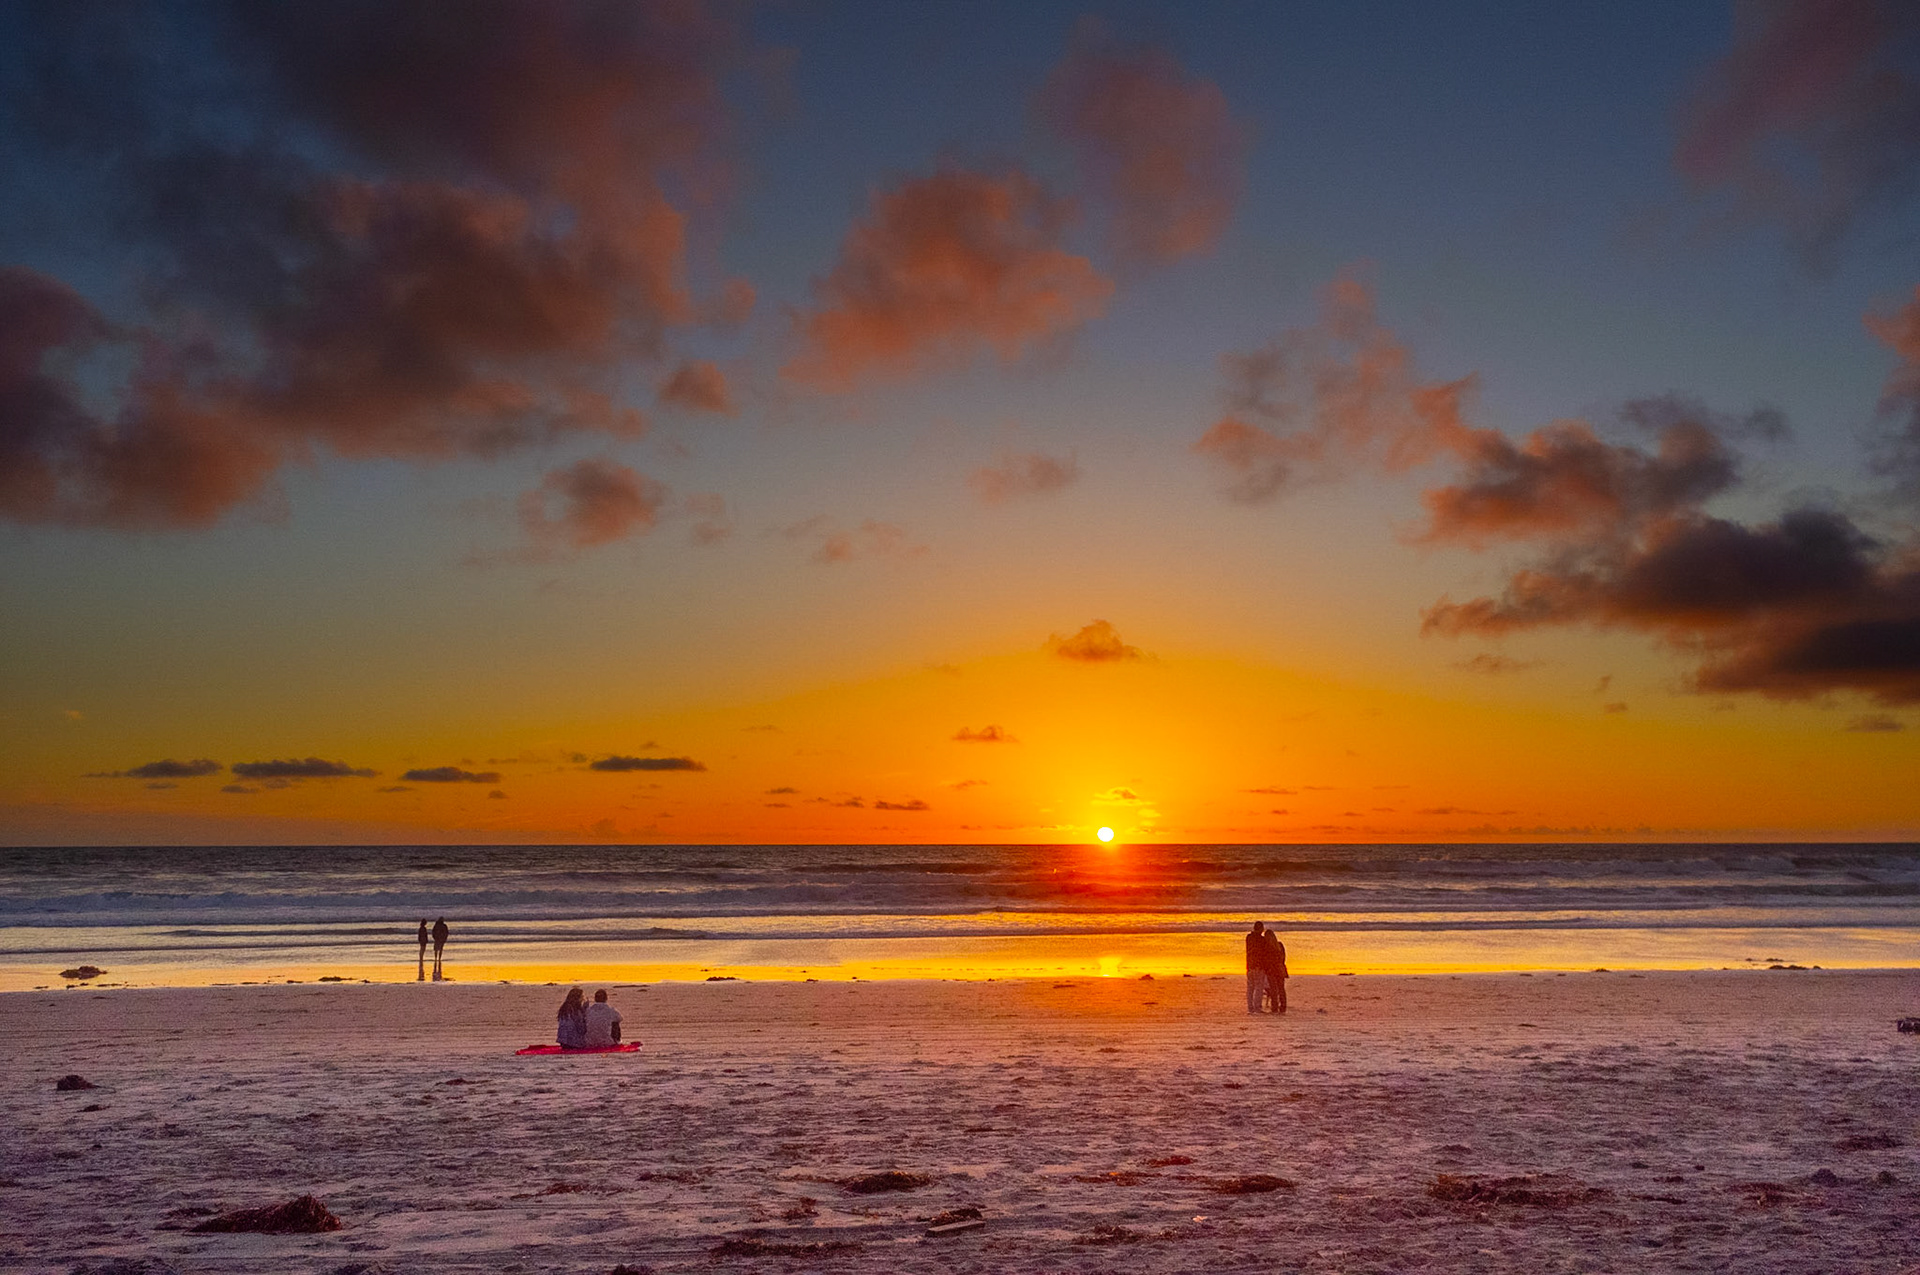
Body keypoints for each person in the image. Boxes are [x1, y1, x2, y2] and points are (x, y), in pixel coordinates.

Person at [1260, 924, 1289, 1014]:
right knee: (1281, 989)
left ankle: (1275, 1007)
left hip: (1271, 969)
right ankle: (1283, 1006)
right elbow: (1284, 957)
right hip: (1280, 968)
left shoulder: (1266, 947)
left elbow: (1265, 959)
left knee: (1273, 989)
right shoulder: (1279, 945)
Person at [1244, 921, 1270, 1014]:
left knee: (1250, 988)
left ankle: (1250, 1007)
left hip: (1250, 965)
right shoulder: (1261, 940)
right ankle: (1257, 1007)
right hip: (1258, 965)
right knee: (1258, 987)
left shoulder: (1249, 937)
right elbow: (1263, 954)